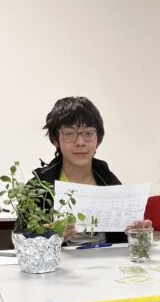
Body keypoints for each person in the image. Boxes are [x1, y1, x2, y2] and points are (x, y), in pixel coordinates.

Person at [31, 96, 125, 245]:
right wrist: (48, 237)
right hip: (60, 260)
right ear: (55, 139)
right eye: (70, 133)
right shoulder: (40, 185)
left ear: (98, 139)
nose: (80, 142)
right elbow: (19, 241)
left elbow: (122, 240)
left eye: (88, 133)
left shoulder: (107, 179)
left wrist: (138, 231)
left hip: (105, 259)